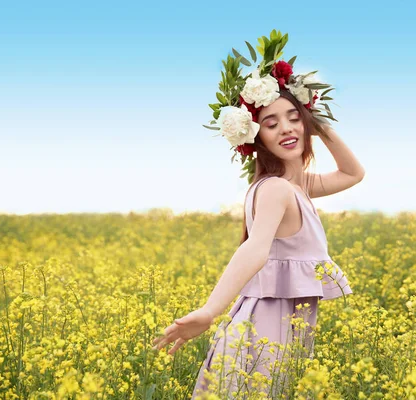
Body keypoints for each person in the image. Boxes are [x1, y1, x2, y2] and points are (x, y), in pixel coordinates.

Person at [151, 31, 365, 398]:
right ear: (256, 137)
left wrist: (316, 119)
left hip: (277, 329)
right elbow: (254, 249)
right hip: (267, 331)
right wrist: (209, 310)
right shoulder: (277, 190)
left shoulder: (296, 187)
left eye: (293, 117)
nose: (286, 128)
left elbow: (352, 173)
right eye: (270, 123)